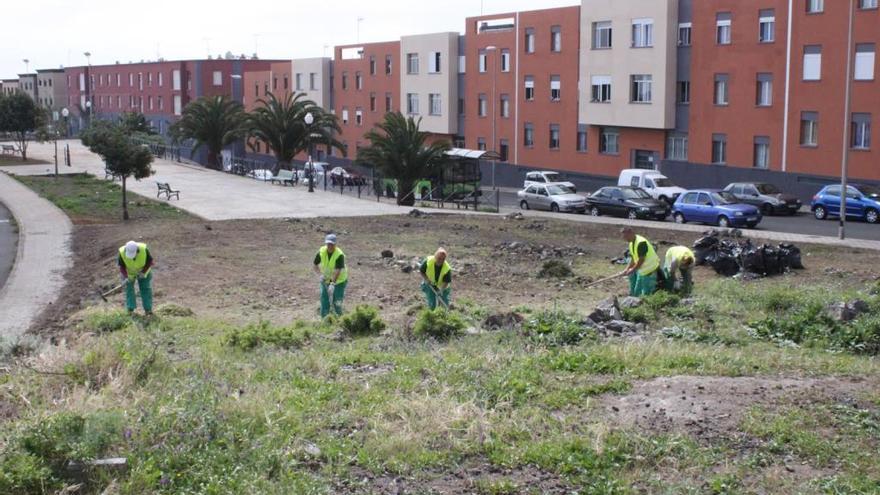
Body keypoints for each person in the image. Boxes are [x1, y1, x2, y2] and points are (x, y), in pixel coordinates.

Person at [313, 233, 347, 317]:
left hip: (339, 280)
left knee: (337, 301)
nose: (330, 246)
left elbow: (337, 271)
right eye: (328, 244)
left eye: (332, 244)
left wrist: (332, 283)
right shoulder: (321, 251)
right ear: (326, 243)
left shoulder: (339, 255)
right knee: (324, 299)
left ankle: (339, 319)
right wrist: (320, 275)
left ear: (335, 244)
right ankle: (324, 319)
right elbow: (315, 265)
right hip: (326, 279)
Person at [118, 240, 154, 315]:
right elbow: (121, 266)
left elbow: (150, 262)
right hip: (129, 273)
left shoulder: (144, 249)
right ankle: (130, 310)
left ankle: (148, 310)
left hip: (143, 271)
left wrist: (143, 272)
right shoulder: (122, 252)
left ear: (137, 251)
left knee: (145, 289)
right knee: (129, 289)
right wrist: (126, 277)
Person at [621, 227, 660, 297]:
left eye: (626, 236)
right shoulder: (631, 243)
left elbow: (641, 260)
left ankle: (646, 304)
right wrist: (626, 269)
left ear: (631, 233)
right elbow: (633, 258)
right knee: (637, 291)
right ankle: (634, 301)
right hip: (642, 269)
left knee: (646, 293)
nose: (625, 239)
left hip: (650, 269)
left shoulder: (641, 243)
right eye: (623, 237)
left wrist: (632, 270)